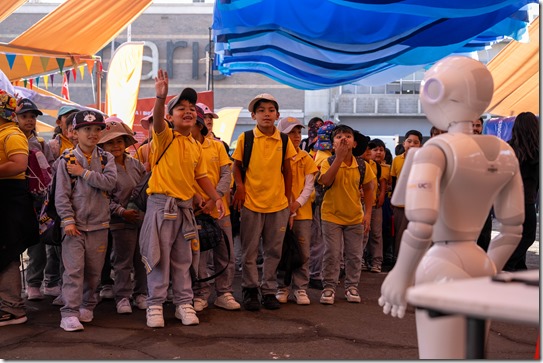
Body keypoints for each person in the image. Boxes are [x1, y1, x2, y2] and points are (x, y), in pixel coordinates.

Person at [379, 56, 525, 359]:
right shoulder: (505, 152)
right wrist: (489, 269)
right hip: (481, 261)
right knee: (473, 353)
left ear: (435, 92)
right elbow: (513, 229)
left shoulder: (436, 149)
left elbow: (420, 222)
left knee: (440, 355)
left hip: (441, 262)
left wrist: (401, 274)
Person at [141, 69, 225, 328]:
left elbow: (200, 177)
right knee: (158, 257)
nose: (187, 111)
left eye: (191, 108)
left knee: (183, 258)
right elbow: (156, 121)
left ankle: (183, 303)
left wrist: (214, 198)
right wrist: (159, 98)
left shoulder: (196, 146)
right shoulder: (164, 135)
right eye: (181, 108)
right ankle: (155, 304)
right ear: (170, 116)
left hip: (185, 208)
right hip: (160, 206)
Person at [231, 93, 296, 311]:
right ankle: (250, 290)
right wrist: (240, 188)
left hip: (278, 204)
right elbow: (236, 166)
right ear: (253, 115)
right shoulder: (246, 138)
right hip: (250, 203)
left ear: (277, 115)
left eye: (270, 110)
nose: (266, 114)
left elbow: (288, 170)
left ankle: (269, 291)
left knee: (273, 251)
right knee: (250, 251)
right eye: (261, 111)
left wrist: (288, 198)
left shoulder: (284, 140)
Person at [55, 110, 117, 332]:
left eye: (97, 129)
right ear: (75, 132)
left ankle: (87, 304)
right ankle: (69, 312)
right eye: (87, 129)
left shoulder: (106, 158)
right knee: (73, 270)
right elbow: (61, 195)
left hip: (100, 224)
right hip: (75, 226)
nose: (92, 133)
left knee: (94, 270)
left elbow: (110, 183)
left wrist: (83, 173)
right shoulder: (66, 159)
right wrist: (67, 219)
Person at [191, 105, 240, 312]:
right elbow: (183, 177)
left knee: (225, 252)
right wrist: (197, 198)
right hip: (196, 211)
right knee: (199, 256)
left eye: (194, 123)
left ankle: (224, 293)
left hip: (220, 209)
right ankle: (201, 293)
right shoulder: (183, 147)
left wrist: (215, 197)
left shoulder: (217, 147)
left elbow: (227, 175)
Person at [318, 125, 374, 305]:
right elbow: (325, 181)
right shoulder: (327, 161)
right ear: (332, 143)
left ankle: (352, 286)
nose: (343, 139)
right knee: (332, 254)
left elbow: (369, 190)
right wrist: (339, 158)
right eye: (339, 136)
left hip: (355, 216)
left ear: (354, 142)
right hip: (331, 215)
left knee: (355, 255)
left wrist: (368, 215)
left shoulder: (362, 165)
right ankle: (329, 287)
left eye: (348, 136)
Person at [98, 117, 148, 314]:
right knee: (122, 261)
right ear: (103, 145)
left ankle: (141, 294)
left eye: (119, 141)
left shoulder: (136, 164)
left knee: (142, 260)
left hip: (141, 220)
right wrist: (121, 211)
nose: (115, 145)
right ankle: (122, 297)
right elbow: (102, 197)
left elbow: (146, 189)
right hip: (119, 222)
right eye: (110, 142)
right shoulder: (101, 167)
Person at [0, 90, 39, 327]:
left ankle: (12, 308)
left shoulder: (12, 134)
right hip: (5, 199)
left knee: (6, 253)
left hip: (8, 200)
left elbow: (18, 164)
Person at [16, 99, 59, 301]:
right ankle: (13, 287)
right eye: (24, 116)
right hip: (16, 196)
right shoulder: (10, 138)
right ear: (15, 118)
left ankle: (34, 283)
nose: (29, 120)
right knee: (15, 241)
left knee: (38, 242)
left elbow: (49, 167)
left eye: (32, 117)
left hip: (39, 199)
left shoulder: (41, 142)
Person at [275, 116, 318, 305]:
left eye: (298, 132)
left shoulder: (305, 157)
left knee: (303, 252)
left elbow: (309, 186)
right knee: (279, 251)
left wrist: (296, 205)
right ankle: (281, 286)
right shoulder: (276, 157)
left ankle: (300, 288)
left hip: (303, 213)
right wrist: (287, 208)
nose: (296, 136)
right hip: (278, 210)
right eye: (291, 132)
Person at [503, 111, 539, 271]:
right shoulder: (537, 152)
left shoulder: (508, 148)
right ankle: (507, 265)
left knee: (513, 237)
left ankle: (517, 270)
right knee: (527, 237)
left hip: (508, 202)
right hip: (526, 202)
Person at [308, 121, 335, 290]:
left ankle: (315, 272)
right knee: (319, 241)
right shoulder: (326, 158)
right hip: (320, 202)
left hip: (317, 202)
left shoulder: (318, 154)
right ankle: (315, 274)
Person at [390, 129, 422, 260]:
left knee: (418, 235)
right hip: (401, 205)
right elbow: (393, 182)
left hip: (418, 205)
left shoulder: (423, 160)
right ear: (404, 144)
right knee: (400, 235)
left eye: (416, 142)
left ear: (420, 145)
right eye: (409, 141)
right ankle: (399, 261)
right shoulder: (397, 160)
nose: (412, 144)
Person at [361, 138, 389, 273]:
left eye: (380, 150)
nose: (377, 152)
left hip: (375, 204)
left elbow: (382, 182)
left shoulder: (376, 166)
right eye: (373, 149)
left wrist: (381, 195)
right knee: (361, 233)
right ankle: (361, 259)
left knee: (376, 234)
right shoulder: (359, 163)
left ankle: (376, 261)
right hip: (361, 205)